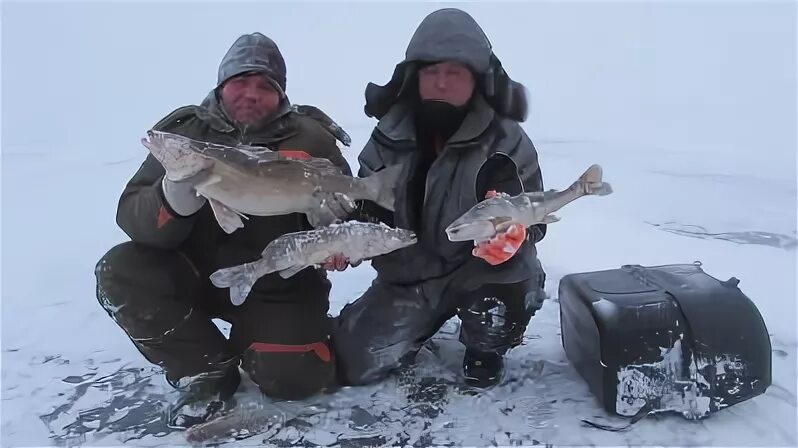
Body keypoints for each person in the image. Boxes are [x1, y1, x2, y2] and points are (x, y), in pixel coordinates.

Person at [94, 32, 354, 425]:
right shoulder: (183, 135)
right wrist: (173, 196)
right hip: (197, 274)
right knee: (121, 270)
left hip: (279, 286)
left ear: (280, 93)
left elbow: (350, 207)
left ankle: (269, 337)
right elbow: (132, 216)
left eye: (264, 85)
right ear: (221, 86)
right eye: (239, 82)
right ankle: (204, 368)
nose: (250, 93)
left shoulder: (310, 137)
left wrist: (336, 226)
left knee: (294, 379)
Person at [329, 8, 548, 389]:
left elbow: (531, 210)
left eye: (454, 72)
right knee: (353, 366)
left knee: (508, 284)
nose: (441, 83)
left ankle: (486, 347)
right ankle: (411, 325)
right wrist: (346, 241)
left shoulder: (505, 139)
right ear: (414, 78)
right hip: (407, 278)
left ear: (477, 80)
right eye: (431, 72)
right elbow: (365, 212)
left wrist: (515, 235)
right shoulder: (386, 138)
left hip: (477, 272)